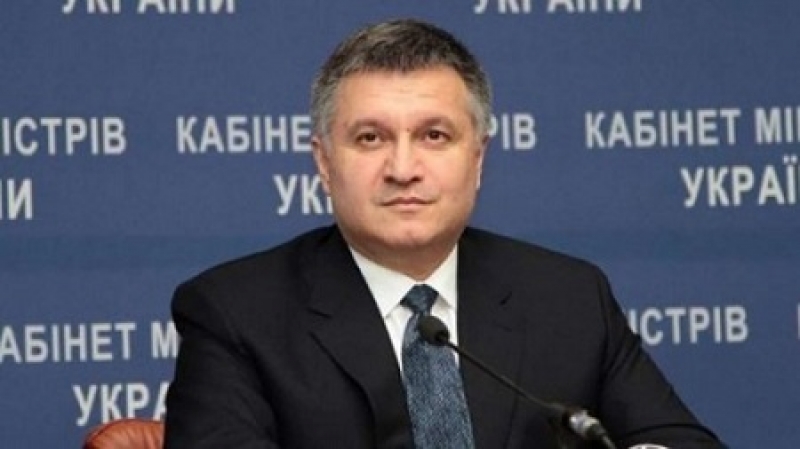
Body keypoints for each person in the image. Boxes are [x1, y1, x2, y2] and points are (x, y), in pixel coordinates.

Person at [164, 18, 724, 449]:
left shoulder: (569, 297)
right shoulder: (235, 313)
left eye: (434, 135)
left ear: (477, 159)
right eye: (370, 138)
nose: (403, 168)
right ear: (324, 163)